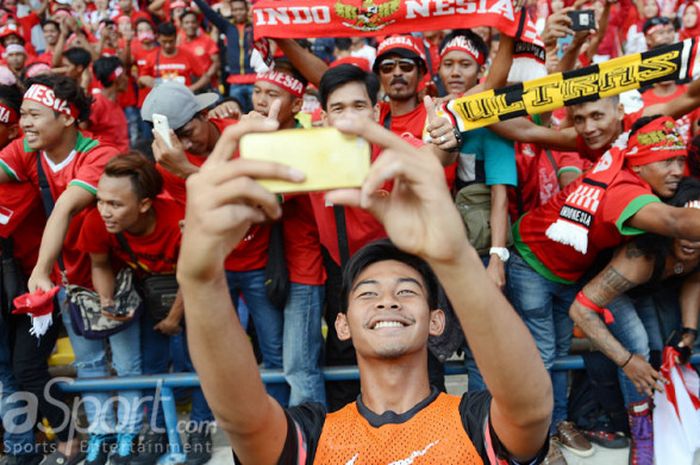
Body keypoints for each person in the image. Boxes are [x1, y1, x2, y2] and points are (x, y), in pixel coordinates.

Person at [176, 113, 552, 465]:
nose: (388, 300)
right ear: (342, 325)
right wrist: (200, 281)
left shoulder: (476, 423)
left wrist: (456, 257)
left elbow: (531, 410)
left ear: (437, 321)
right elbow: (243, 421)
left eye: (406, 291)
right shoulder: (312, 436)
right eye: (368, 293)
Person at [508, 114, 700, 464]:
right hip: (533, 262)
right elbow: (676, 222)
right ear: (640, 166)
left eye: (679, 160)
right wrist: (628, 362)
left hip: (572, 269)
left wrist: (687, 329)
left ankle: (566, 424)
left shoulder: (625, 153)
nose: (677, 170)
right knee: (545, 355)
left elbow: (693, 273)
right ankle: (540, 440)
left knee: (561, 352)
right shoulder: (627, 197)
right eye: (666, 161)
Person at [0, 73, 119, 465]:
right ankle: (92, 441)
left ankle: (142, 437)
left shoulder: (98, 154)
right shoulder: (25, 151)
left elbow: (66, 207)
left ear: (67, 117)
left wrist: (40, 269)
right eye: (22, 115)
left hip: (109, 278)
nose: (25, 123)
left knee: (133, 365)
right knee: (83, 366)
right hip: (63, 283)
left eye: (35, 114)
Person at [568, 177, 700, 463]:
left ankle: (651, 419)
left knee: (657, 349)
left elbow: (694, 279)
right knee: (638, 348)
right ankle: (641, 436)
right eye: (685, 231)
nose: (692, 241)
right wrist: (627, 361)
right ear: (670, 227)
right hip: (605, 291)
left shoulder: (694, 250)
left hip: (643, 292)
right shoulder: (640, 257)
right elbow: (580, 310)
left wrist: (689, 330)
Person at [0, 83, 45, 465]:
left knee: (19, 370)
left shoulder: (26, 170)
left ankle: (27, 446)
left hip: (33, 289)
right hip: (12, 288)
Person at [87, 56, 129, 151]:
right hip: (107, 162)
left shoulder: (116, 102)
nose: (127, 79)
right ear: (117, 78)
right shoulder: (96, 104)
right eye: (125, 75)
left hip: (122, 160)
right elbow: (82, 133)